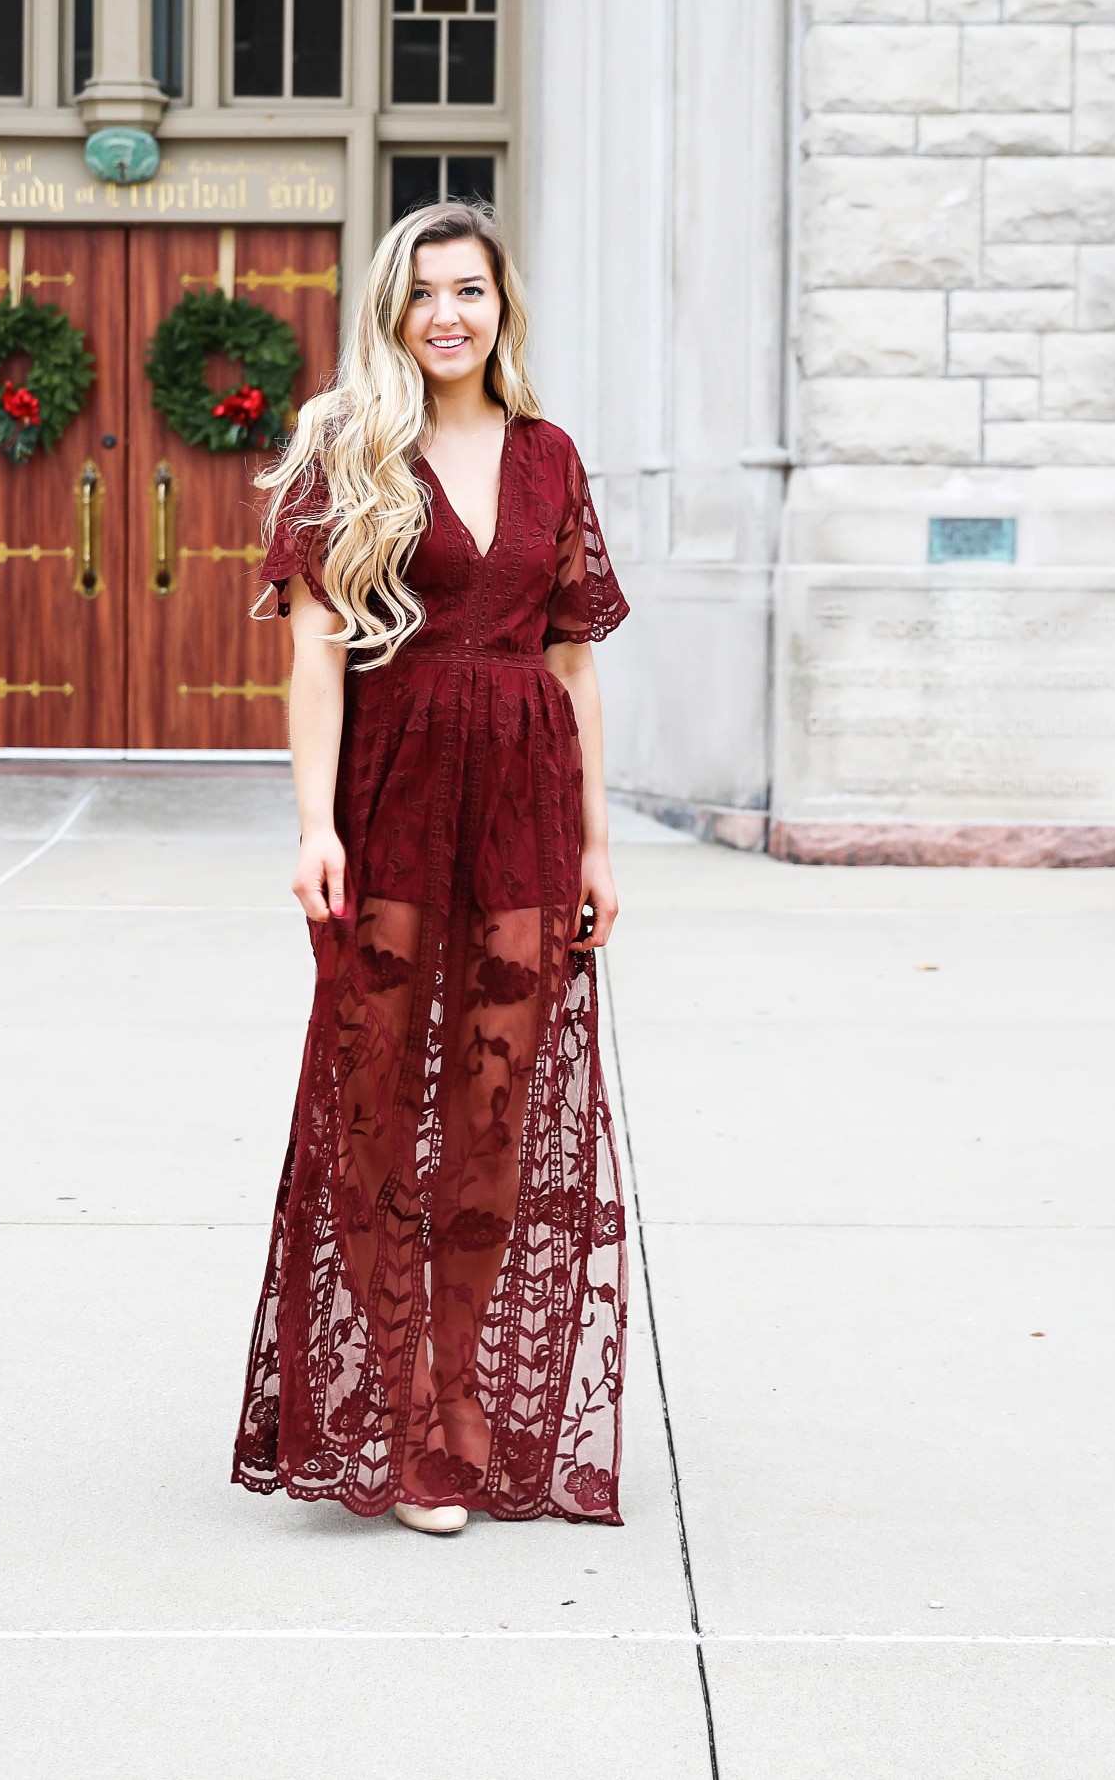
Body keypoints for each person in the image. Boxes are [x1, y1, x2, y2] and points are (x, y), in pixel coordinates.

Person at [231, 202, 630, 1536]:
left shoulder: (551, 455)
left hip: (522, 802)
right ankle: (399, 1398)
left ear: (502, 305)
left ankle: (460, 1385)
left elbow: (572, 659)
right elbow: (315, 657)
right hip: (393, 800)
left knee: (498, 1114)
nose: (449, 313)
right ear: (391, 312)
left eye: (471, 289)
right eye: (424, 293)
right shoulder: (348, 449)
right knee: (377, 1096)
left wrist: (598, 843)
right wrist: (312, 826)